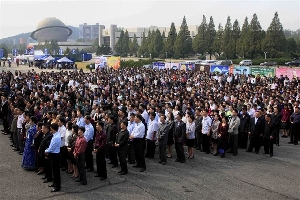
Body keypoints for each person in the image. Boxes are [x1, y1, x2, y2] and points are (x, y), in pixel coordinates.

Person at [45, 123, 61, 193]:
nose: (50, 129)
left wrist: (46, 150)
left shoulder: (56, 137)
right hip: (53, 154)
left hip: (55, 155)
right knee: (54, 170)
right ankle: (55, 183)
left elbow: (52, 147)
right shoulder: (55, 135)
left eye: (51, 128)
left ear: (53, 129)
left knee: (56, 171)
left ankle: (57, 186)